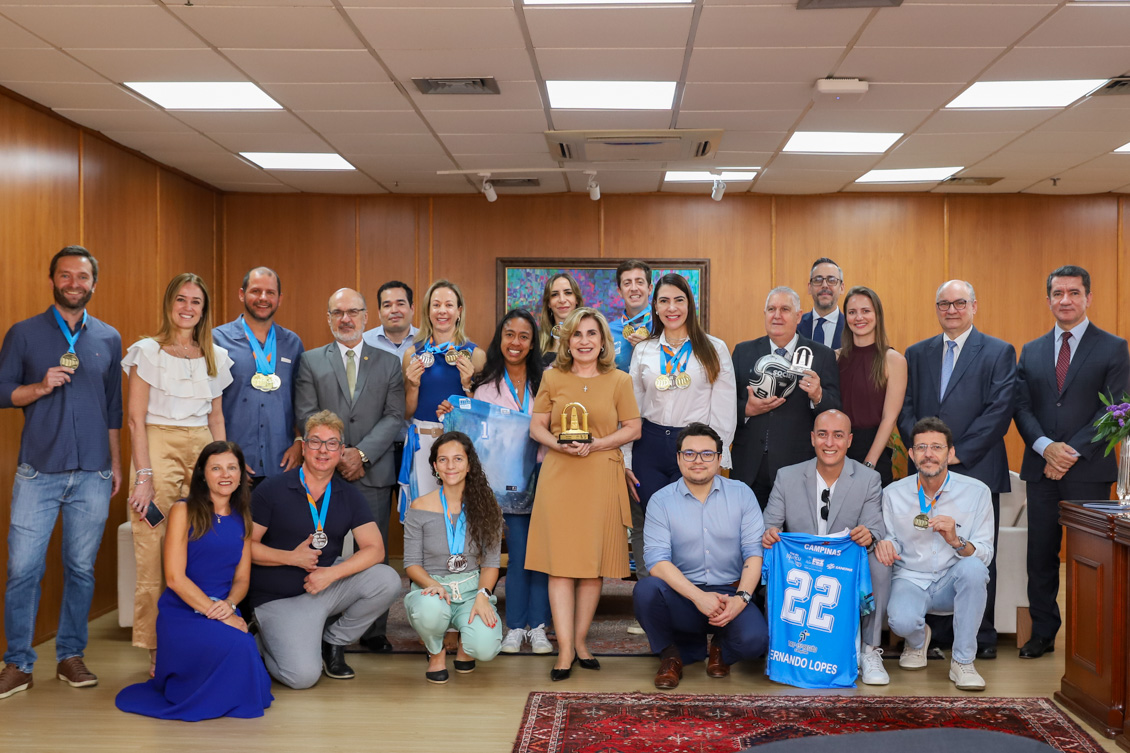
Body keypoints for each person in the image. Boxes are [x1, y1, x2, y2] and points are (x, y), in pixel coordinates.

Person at [0, 246, 122, 699]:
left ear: (94, 283)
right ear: (52, 279)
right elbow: (1, 390)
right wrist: (37, 387)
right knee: (23, 570)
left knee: (80, 569)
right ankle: (17, 663)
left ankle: (70, 655)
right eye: (66, 276)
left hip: (93, 473)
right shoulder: (24, 334)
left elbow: (114, 407)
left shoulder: (109, 338)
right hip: (39, 473)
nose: (75, 283)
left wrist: (114, 464)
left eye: (83, 276)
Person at [1014, 265, 1130, 659]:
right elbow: (1022, 407)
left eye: (1074, 293)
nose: (1065, 300)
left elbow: (1116, 407)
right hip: (1041, 469)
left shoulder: (1113, 347)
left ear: (1088, 298)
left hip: (1090, 471)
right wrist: (1046, 446)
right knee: (1041, 556)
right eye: (1058, 293)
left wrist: (1067, 453)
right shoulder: (1030, 350)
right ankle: (1044, 632)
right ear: (1048, 299)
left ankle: (1090, 638)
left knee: (1089, 557)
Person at [898, 279, 1015, 661]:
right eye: (944, 303)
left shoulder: (998, 352)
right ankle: (939, 636)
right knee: (928, 544)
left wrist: (956, 453)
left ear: (974, 306)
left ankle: (980, 636)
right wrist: (923, 452)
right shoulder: (917, 353)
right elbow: (906, 407)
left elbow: (1000, 410)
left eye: (959, 303)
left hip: (977, 465)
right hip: (926, 466)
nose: (951, 309)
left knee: (977, 554)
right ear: (936, 308)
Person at [122, 272, 233, 676]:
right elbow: (134, 420)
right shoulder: (146, 351)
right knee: (153, 547)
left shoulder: (215, 356)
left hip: (202, 444)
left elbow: (217, 417)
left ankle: (201, 635)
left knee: (206, 539)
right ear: (169, 304)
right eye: (181, 300)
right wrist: (144, 475)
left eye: (196, 302)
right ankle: (155, 646)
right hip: (157, 443)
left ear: (204, 311)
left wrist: (226, 466)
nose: (188, 308)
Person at [115, 441, 273, 720]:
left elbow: (242, 579)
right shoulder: (182, 511)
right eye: (216, 468)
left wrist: (230, 605)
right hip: (183, 611)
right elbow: (175, 578)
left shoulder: (244, 518)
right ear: (202, 474)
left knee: (245, 646)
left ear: (240, 475)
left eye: (232, 468)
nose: (225, 474)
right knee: (238, 645)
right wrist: (220, 614)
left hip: (223, 606)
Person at [526, 307, 641, 680]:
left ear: (604, 340)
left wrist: (598, 443)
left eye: (592, 334)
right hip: (560, 475)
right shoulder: (552, 376)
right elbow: (537, 427)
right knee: (560, 565)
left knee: (593, 567)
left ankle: (580, 643)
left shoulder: (620, 380)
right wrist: (559, 446)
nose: (585, 341)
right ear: (567, 340)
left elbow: (634, 428)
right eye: (577, 334)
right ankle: (562, 650)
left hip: (600, 472)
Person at [248, 411, 401, 689]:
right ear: (304, 447)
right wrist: (291, 558)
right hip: (278, 598)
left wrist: (331, 575)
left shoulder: (349, 494)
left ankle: (334, 641)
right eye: (316, 442)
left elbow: (375, 549)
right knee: (302, 678)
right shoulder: (272, 489)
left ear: (341, 451)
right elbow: (244, 548)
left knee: (387, 579)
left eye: (332, 444)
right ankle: (259, 641)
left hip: (324, 589)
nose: (323, 450)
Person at [294, 287, 405, 654]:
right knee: (322, 550)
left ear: (365, 317)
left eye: (353, 312)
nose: (346, 318)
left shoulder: (389, 362)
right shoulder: (311, 361)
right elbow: (307, 414)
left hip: (372, 471)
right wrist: (338, 454)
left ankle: (373, 630)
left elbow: (394, 416)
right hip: (323, 472)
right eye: (338, 312)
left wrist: (361, 453)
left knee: (375, 551)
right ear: (328, 318)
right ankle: (320, 627)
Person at [634, 423, 768, 690]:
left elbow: (755, 554)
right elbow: (656, 562)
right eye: (689, 453)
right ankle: (671, 656)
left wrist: (740, 600)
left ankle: (721, 646)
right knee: (646, 590)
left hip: (730, 591)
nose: (698, 461)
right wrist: (698, 597)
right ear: (678, 458)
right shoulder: (661, 501)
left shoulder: (742, 494)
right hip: (683, 595)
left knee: (755, 642)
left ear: (719, 458)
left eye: (707, 454)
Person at [762, 409, 890, 686]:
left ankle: (869, 651)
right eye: (823, 435)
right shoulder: (787, 476)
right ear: (812, 438)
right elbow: (768, 526)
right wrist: (770, 535)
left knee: (880, 563)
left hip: (843, 568)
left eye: (838, 436)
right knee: (769, 557)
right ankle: (783, 647)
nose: (829, 443)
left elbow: (876, 528)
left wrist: (868, 534)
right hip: (800, 570)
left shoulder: (869, 479)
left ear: (849, 440)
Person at [450, 309, 552, 655]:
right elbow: (474, 433)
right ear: (500, 338)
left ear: (533, 342)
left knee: (538, 555)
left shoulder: (548, 381)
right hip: (497, 486)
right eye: (510, 334)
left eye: (524, 336)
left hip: (543, 480)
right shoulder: (484, 385)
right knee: (508, 554)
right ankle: (514, 627)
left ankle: (537, 627)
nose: (516, 342)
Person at [626, 273, 736, 574]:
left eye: (678, 299)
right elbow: (631, 408)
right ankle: (652, 602)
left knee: (690, 525)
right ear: (655, 307)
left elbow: (724, 408)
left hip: (694, 447)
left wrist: (718, 455)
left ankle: (688, 599)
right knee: (650, 524)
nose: (671, 307)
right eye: (664, 301)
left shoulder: (714, 348)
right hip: (647, 445)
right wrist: (626, 457)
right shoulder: (644, 350)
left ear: (690, 304)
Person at [877, 417, 994, 691]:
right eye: (921, 447)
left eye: (937, 447)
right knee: (901, 621)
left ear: (950, 453)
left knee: (975, 568)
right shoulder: (893, 494)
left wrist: (956, 540)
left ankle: (963, 662)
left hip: (952, 580)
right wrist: (886, 546)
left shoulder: (977, 492)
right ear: (911, 454)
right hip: (910, 578)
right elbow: (891, 539)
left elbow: (985, 554)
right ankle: (917, 641)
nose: (928, 454)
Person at [404, 432, 504, 683]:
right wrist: (432, 585)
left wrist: (483, 595)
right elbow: (411, 563)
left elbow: (492, 562)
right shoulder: (419, 506)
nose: (451, 466)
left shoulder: (487, 505)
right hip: (432, 586)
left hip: (471, 589)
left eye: (458, 459)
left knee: (485, 647)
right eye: (443, 460)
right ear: (435, 466)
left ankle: (465, 648)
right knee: (429, 610)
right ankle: (436, 652)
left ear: (470, 465)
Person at [731, 286, 841, 507]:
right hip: (749, 467)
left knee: (792, 538)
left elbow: (835, 409)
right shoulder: (743, 352)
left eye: (785, 309)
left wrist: (818, 395)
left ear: (799, 316)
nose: (777, 315)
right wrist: (747, 409)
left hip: (798, 468)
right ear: (765, 314)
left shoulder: (821, 355)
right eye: (771, 309)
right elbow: (724, 405)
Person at [212, 267, 304, 486]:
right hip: (232, 466)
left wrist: (299, 442)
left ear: (279, 299)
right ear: (242, 294)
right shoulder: (216, 340)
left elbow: (301, 400)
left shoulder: (292, 343)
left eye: (270, 293)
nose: (263, 298)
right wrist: (225, 457)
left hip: (282, 464)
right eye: (256, 291)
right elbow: (207, 406)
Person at [401, 280, 486, 506]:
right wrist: (413, 385)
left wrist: (468, 385)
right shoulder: (412, 354)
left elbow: (482, 414)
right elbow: (407, 411)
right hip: (423, 442)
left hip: (460, 446)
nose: (442, 311)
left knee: (460, 513)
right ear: (428, 311)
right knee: (424, 514)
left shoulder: (475, 355)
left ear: (459, 311)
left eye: (449, 305)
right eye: (436, 305)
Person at [837, 286, 907, 487]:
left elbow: (889, 418)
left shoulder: (893, 360)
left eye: (866, 311)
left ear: (877, 315)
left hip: (873, 453)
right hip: (836, 451)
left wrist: (868, 464)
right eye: (852, 312)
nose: (859, 317)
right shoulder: (835, 357)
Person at [363, 280, 419, 507]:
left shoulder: (428, 343)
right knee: (371, 523)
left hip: (416, 449)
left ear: (412, 308)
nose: (394, 310)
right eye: (387, 305)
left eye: (400, 303)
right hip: (375, 451)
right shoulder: (362, 344)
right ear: (378, 312)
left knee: (419, 522)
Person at [609, 260, 653, 374]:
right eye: (627, 283)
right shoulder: (607, 331)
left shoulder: (664, 327)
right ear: (620, 291)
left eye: (639, 282)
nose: (634, 288)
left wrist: (651, 350)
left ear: (650, 289)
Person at [537, 272, 584, 368]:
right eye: (554, 295)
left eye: (568, 293)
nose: (562, 300)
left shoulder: (591, 338)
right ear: (549, 303)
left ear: (577, 300)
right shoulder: (536, 340)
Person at [799, 257, 846, 350]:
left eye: (831, 280)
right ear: (809, 288)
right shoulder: (795, 326)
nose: (824, 285)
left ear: (842, 288)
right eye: (818, 280)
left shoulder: (851, 328)